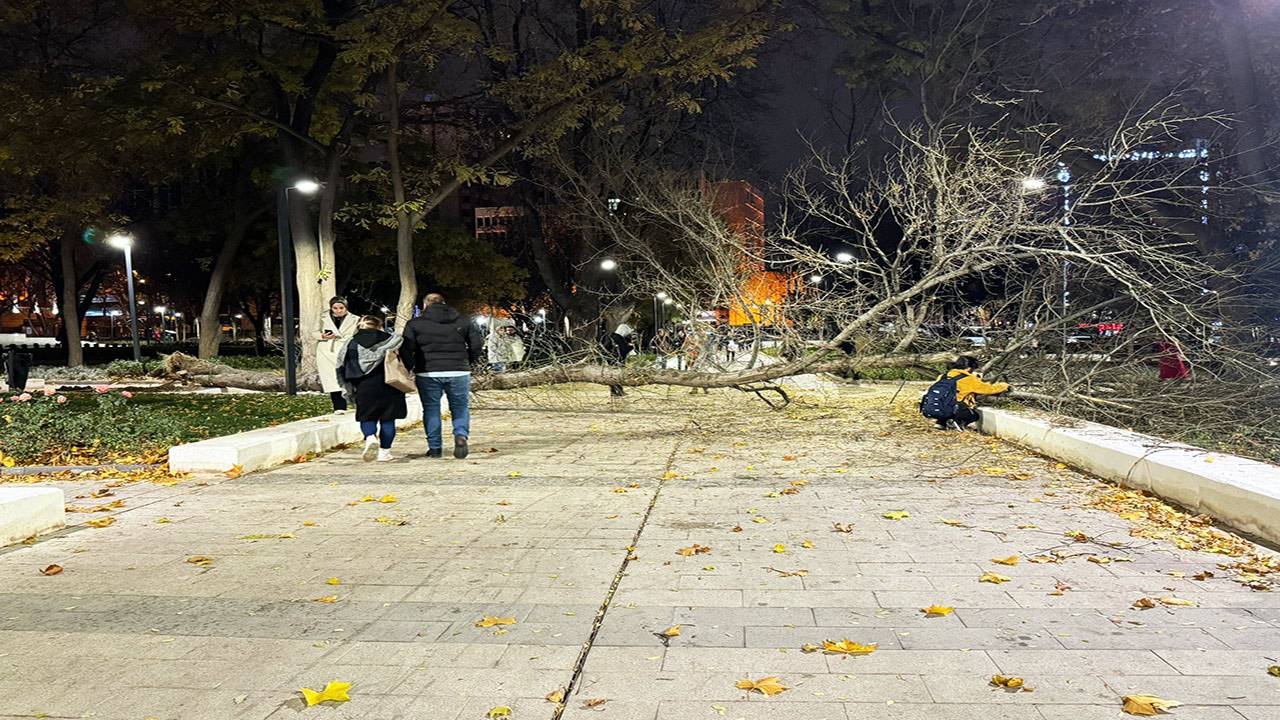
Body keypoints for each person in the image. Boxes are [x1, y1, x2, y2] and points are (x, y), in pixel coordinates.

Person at [400, 293, 482, 459]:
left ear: (425, 305)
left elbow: (406, 348)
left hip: (427, 371)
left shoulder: (415, 324)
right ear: (444, 303)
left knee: (431, 409)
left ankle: (435, 447)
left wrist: (409, 367)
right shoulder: (464, 320)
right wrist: (468, 361)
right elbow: (477, 344)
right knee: (460, 407)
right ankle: (460, 435)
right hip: (459, 370)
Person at [337, 315, 407, 462]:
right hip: (390, 383)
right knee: (388, 420)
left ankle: (370, 437)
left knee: (367, 416)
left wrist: (347, 387)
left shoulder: (351, 343)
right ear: (378, 326)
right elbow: (407, 359)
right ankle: (385, 452)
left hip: (364, 385)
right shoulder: (392, 340)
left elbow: (341, 366)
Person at [920, 355, 1011, 431]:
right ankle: (957, 423)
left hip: (935, 407)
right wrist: (1004, 386)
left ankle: (941, 422)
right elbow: (988, 389)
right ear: (969, 368)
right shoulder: (969, 378)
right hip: (956, 408)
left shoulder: (942, 376)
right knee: (974, 416)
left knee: (947, 401)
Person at [315, 297, 359, 414]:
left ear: (346, 307)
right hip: (327, 351)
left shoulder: (355, 319)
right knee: (332, 380)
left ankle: (356, 402)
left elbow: (358, 334)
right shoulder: (322, 317)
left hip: (346, 350)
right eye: (335, 308)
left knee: (349, 377)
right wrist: (323, 336)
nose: (338, 311)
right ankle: (339, 406)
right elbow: (314, 332)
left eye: (341, 308)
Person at [605, 323, 633, 397]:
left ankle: (613, 391)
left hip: (610, 359)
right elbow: (624, 350)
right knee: (618, 375)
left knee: (612, 376)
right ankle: (619, 390)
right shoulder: (619, 338)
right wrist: (631, 347)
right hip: (619, 359)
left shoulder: (610, 337)